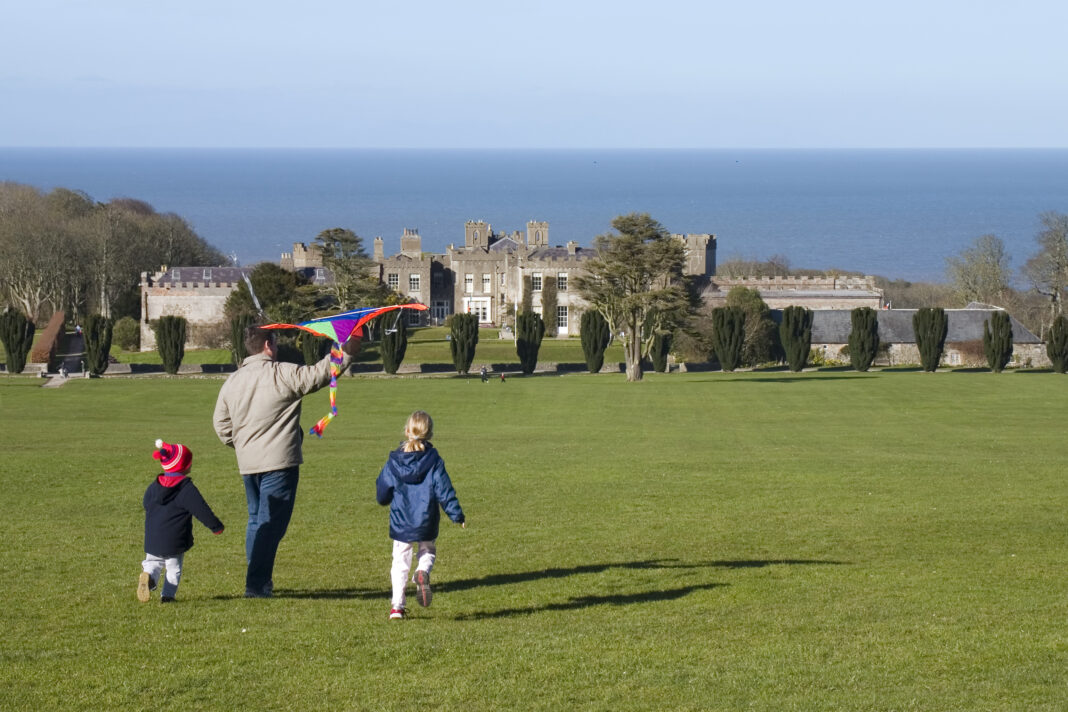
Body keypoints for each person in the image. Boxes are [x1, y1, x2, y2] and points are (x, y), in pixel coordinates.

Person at [213, 325, 361, 598]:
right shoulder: (283, 373)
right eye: (276, 343)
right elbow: (321, 373)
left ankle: (257, 576)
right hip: (279, 463)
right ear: (268, 346)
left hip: (248, 464)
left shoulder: (232, 382)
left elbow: (221, 425)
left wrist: (243, 445)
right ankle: (256, 585)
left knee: (257, 520)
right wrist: (350, 346)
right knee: (270, 526)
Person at [376, 410, 465, 620]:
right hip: (426, 519)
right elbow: (444, 490)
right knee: (427, 550)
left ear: (407, 431)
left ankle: (397, 607)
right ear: (430, 434)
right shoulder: (434, 460)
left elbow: (382, 490)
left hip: (401, 521)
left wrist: (384, 499)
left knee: (400, 562)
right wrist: (457, 515)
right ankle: (422, 571)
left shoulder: (394, 461)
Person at [138, 440, 224, 603]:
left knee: (153, 563)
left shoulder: (153, 486)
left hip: (153, 537)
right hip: (175, 538)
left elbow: (146, 504)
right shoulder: (186, 489)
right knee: (173, 567)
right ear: (184, 465)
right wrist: (216, 526)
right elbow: (201, 509)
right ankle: (168, 597)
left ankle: (148, 578)